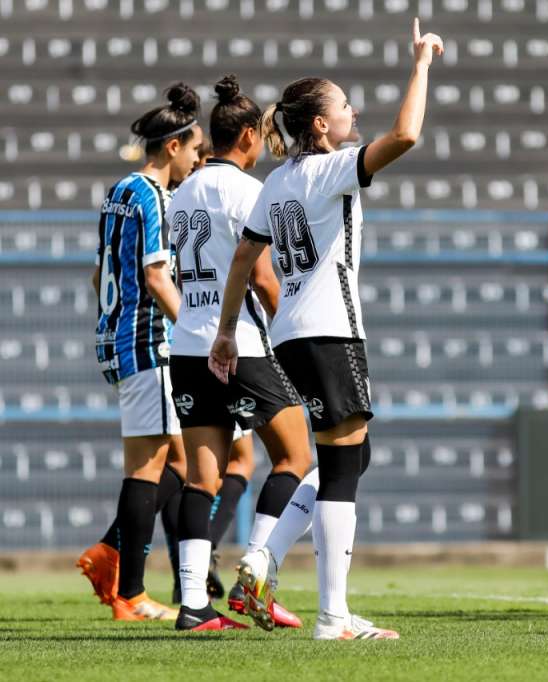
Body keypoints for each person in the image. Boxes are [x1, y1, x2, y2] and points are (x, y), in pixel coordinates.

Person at [210, 18, 444, 641]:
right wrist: (421, 64)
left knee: (353, 456)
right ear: (320, 124)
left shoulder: (276, 182)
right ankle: (333, 615)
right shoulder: (331, 169)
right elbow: (407, 134)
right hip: (331, 331)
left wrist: (228, 331)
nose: (352, 111)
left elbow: (244, 256)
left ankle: (263, 557)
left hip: (289, 335)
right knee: (341, 469)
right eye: (344, 105)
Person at [166, 75, 313, 631]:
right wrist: (292, 333)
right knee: (295, 458)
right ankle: (256, 577)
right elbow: (263, 278)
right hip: (240, 345)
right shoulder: (250, 192)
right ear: (249, 135)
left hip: (188, 345)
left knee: (201, 479)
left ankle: (193, 605)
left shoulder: (184, 191)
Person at [77, 83, 203, 621]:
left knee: (172, 462)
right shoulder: (153, 196)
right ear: (172, 147)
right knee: (155, 468)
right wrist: (195, 332)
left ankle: (113, 558)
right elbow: (156, 275)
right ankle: (129, 588)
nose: (196, 160)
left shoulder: (118, 192)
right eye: (194, 150)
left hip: (116, 339)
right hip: (149, 342)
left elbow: (98, 275)